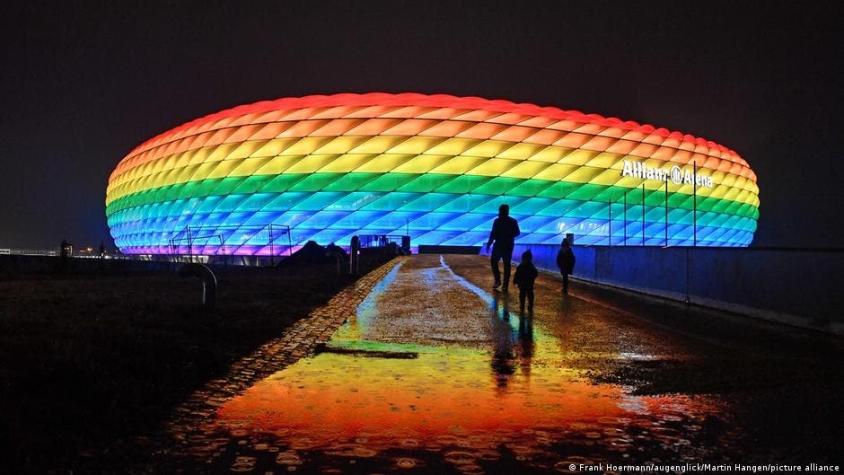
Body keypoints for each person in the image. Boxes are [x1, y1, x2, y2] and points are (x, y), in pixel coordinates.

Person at [485, 204, 520, 291]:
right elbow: (517, 232)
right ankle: (504, 285)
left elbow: (493, 233)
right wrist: (509, 236)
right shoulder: (512, 221)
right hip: (508, 245)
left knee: (494, 262)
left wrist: (489, 243)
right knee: (506, 265)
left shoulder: (497, 221)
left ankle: (498, 281)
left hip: (499, 245)